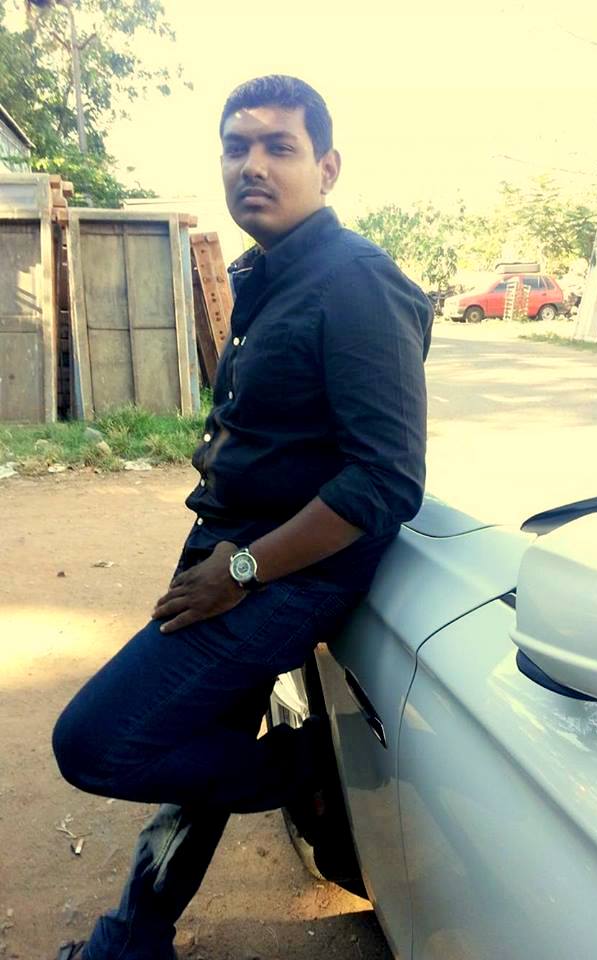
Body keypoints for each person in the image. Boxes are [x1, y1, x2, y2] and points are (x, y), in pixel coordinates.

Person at [52, 75, 433, 960]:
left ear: (326, 168)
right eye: (236, 146)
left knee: (97, 744)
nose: (252, 165)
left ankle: (308, 771)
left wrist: (243, 570)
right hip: (228, 552)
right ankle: (131, 941)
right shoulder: (265, 274)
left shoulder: (357, 283)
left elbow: (384, 480)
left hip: (286, 571)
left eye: (278, 147)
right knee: (199, 738)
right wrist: (223, 555)